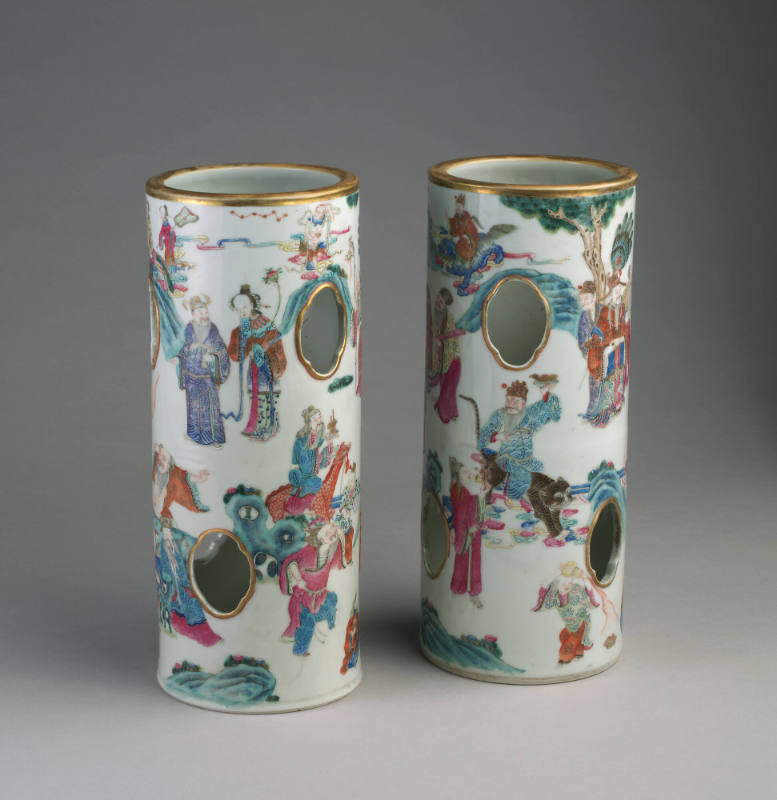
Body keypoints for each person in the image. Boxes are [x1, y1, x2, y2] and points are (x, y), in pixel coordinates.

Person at [152, 443, 220, 646]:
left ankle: (198, 609)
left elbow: (185, 475)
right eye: (160, 456)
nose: (162, 459)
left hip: (167, 525)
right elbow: (157, 508)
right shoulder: (159, 474)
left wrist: (199, 477)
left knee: (197, 550)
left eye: (166, 458)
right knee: (177, 563)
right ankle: (189, 619)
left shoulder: (172, 475)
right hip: (162, 528)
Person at [477, 380, 561, 503]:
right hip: (508, 458)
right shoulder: (501, 414)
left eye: (516, 401)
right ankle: (509, 498)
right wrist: (496, 436)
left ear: (523, 403)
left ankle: (535, 496)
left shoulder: (528, 414)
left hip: (526, 459)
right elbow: (487, 430)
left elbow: (542, 408)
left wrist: (545, 393)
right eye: (508, 400)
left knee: (540, 469)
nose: (511, 404)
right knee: (523, 477)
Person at [279, 522, 350, 655]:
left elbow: (342, 559)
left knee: (332, 601)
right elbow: (291, 562)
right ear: (321, 537)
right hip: (302, 599)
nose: (332, 536)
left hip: (320, 596)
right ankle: (300, 651)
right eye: (328, 534)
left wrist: (341, 535)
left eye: (334, 535)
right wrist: (298, 580)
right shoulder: (308, 551)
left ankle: (333, 631)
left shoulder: (331, 554)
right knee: (308, 623)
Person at [227, 285, 287, 441]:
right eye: (238, 309)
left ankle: (270, 427)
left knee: (268, 398)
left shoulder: (267, 324)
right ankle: (258, 427)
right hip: (253, 367)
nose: (241, 311)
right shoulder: (243, 327)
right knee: (256, 398)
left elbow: (276, 344)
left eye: (244, 307)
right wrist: (243, 342)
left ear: (252, 304)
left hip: (267, 366)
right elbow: (237, 354)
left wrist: (264, 348)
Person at [177, 296, 229, 446]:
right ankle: (194, 435)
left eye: (205, 311)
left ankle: (213, 438)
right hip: (191, 375)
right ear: (193, 314)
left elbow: (221, 348)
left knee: (209, 408)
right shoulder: (189, 328)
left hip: (207, 377)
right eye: (199, 312)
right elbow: (185, 347)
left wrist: (212, 357)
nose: (203, 315)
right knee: (193, 408)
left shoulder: (213, 330)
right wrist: (179, 358)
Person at [449, 458, 484, 607]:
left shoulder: (462, 492)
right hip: (466, 532)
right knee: (469, 562)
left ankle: (462, 589)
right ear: (457, 475)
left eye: (469, 472)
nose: (469, 474)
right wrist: (470, 526)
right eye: (464, 472)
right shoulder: (459, 492)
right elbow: (459, 513)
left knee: (465, 560)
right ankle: (469, 591)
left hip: (465, 531)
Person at [428, 288, 465, 423]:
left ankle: (448, 413)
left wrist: (442, 340)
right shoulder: (436, 315)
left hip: (451, 359)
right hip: (442, 358)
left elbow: (450, 339)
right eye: (438, 298)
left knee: (449, 388)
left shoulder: (448, 318)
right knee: (446, 388)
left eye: (441, 302)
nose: (438, 302)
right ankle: (445, 414)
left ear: (445, 305)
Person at [288, 406, 332, 497]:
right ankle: (302, 487)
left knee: (317, 481)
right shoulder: (303, 438)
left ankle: (301, 486)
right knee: (317, 482)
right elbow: (305, 460)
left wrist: (327, 446)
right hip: (303, 471)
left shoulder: (318, 435)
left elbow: (321, 457)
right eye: (318, 416)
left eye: (320, 415)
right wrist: (321, 447)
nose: (321, 418)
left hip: (309, 473)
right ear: (312, 419)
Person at [448, 193, 479, 262]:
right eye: (456, 206)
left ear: (463, 207)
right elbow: (454, 227)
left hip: (468, 240)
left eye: (459, 206)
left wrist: (465, 237)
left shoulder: (467, 218)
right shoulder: (456, 216)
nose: (457, 208)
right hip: (459, 239)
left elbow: (472, 232)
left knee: (465, 249)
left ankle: (469, 259)